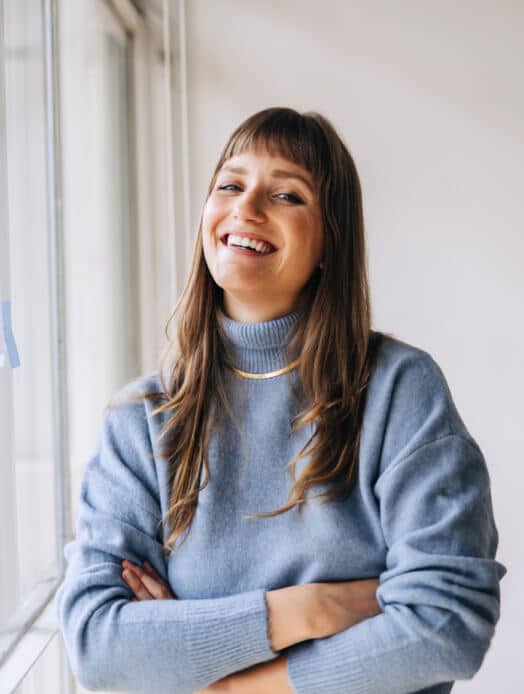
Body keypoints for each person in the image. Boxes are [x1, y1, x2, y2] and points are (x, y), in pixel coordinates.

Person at [55, 107, 506, 694]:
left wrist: (220, 682)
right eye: (230, 185)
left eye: (287, 195)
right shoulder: (141, 421)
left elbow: (447, 627)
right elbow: (99, 648)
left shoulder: (399, 390)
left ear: (329, 241)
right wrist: (315, 609)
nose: (246, 208)